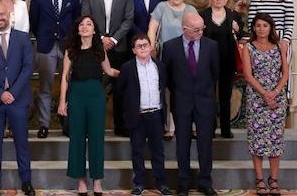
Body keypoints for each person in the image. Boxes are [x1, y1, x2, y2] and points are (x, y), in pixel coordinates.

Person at [57, 15, 119, 196]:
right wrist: (62, 101)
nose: (85, 27)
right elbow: (64, 77)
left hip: (96, 96)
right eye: (82, 24)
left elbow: (109, 71)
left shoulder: (100, 50)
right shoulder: (71, 50)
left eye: (89, 24)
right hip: (76, 95)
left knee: (96, 139)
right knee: (76, 138)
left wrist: (130, 71)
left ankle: (97, 181)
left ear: (94, 30)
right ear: (78, 29)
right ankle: (81, 181)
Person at [0, 3, 35, 196]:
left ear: (9, 15)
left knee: (22, 142)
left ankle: (26, 181)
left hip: (18, 99)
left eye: (2, 14)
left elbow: (28, 66)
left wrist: (13, 91)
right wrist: (0, 93)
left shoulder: (22, 38)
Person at [163, 13, 219, 196]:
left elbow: (215, 74)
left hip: (205, 102)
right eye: (196, 30)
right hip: (181, 102)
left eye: (202, 28)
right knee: (182, 145)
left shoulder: (212, 46)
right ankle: (184, 183)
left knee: (205, 144)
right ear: (184, 29)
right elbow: (167, 77)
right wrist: (181, 92)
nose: (201, 32)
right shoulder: (170, 47)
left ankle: (205, 182)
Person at [81, 0, 134, 137]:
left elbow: (129, 19)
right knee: (96, 88)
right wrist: (102, 38)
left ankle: (121, 126)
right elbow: (85, 18)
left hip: (119, 48)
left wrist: (114, 39)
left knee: (120, 89)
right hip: (97, 47)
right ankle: (92, 127)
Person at [29, 0, 81, 138]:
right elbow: (34, 22)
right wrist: (44, 36)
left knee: (70, 85)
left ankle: (69, 123)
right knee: (45, 87)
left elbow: (77, 22)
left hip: (68, 48)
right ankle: (44, 125)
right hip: (46, 47)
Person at [117, 33, 173, 196]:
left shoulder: (159, 65)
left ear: (150, 47)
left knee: (158, 151)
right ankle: (139, 183)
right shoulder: (127, 68)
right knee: (137, 151)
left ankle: (161, 183)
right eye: (139, 46)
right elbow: (120, 92)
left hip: (156, 114)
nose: (143, 48)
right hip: (138, 115)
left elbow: (164, 87)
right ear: (133, 50)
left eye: (145, 45)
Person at [241, 13, 289, 196]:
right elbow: (247, 74)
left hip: (277, 99)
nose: (261, 29)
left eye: (265, 25)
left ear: (271, 28)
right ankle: (260, 179)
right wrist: (264, 94)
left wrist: (274, 93)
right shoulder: (248, 47)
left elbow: (285, 73)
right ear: (253, 28)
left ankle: (274, 179)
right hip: (256, 98)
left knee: (275, 140)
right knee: (257, 140)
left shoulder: (279, 46)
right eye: (258, 25)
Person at [147, 0, 197, 140]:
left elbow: (197, 31)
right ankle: (169, 128)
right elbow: (152, 28)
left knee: (189, 92)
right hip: (166, 56)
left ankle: (191, 126)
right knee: (168, 92)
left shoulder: (191, 9)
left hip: (188, 56)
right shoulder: (162, 7)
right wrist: (151, 47)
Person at [200, 0, 244, 138]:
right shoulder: (203, 15)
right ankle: (210, 128)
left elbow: (241, 37)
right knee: (208, 96)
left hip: (227, 61)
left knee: (225, 96)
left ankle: (226, 128)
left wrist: (237, 30)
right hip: (207, 61)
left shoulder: (234, 16)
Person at [245, 0, 295, 95]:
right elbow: (252, 24)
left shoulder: (287, 1)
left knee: (281, 71)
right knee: (260, 70)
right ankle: (261, 94)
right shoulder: (256, 1)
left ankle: (280, 96)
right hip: (260, 40)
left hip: (280, 39)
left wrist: (285, 41)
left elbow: (289, 25)